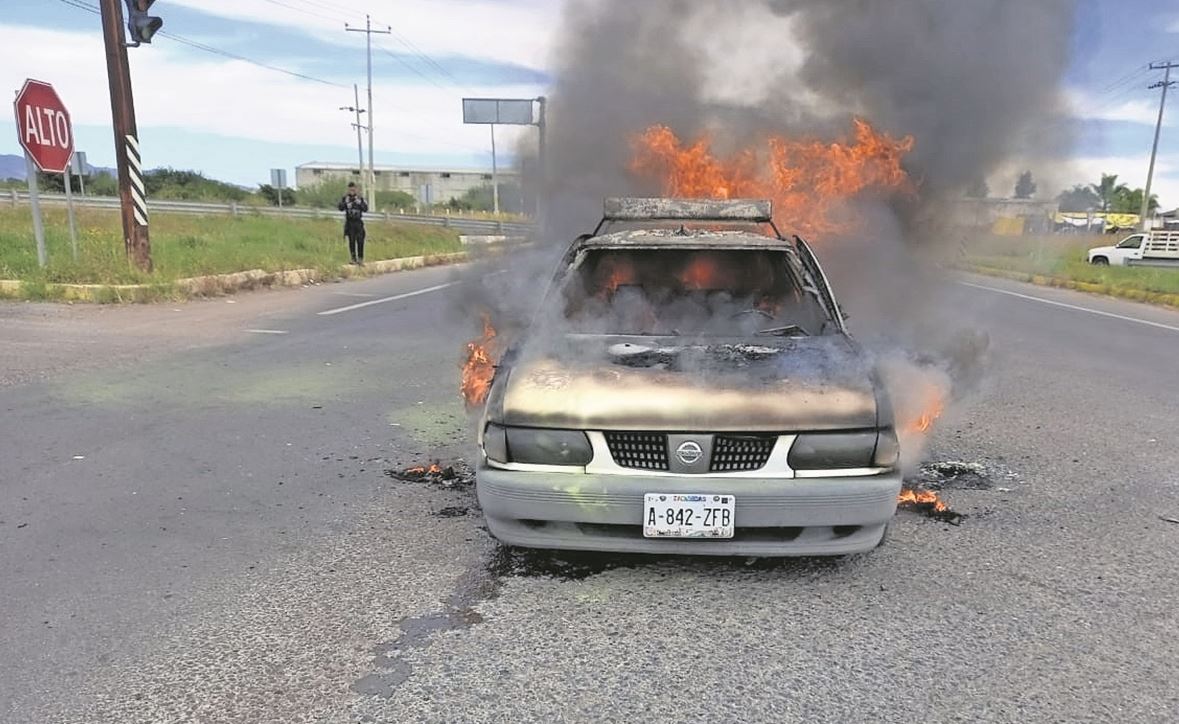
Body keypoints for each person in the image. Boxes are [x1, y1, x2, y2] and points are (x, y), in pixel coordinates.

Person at [337, 182, 369, 265]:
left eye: (353, 189)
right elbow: (340, 208)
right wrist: (346, 204)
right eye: (350, 189)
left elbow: (365, 209)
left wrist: (359, 203)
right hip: (350, 222)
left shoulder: (360, 198)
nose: (352, 191)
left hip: (358, 222)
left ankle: (360, 259)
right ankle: (353, 258)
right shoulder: (345, 198)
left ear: (356, 189)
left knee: (360, 240)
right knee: (351, 241)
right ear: (348, 190)